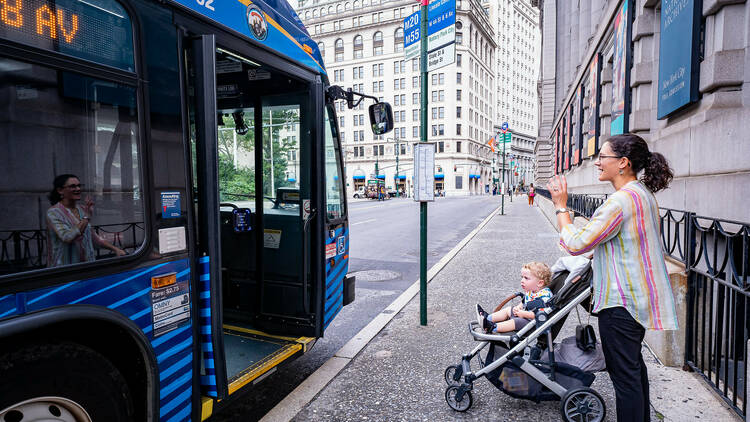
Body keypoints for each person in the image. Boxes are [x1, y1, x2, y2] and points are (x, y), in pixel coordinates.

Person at [547, 134, 678, 422]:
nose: (597, 162)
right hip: (636, 301)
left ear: (622, 163)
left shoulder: (620, 201)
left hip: (620, 304)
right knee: (633, 370)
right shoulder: (641, 194)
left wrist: (561, 206)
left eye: (602, 157)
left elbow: (576, 242)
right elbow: (629, 240)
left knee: (625, 378)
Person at [46, 174, 126, 267]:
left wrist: (116, 249)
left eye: (79, 186)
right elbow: (67, 237)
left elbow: (93, 238)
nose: (78, 189)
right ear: (60, 190)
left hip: (87, 266)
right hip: (65, 270)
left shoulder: (82, 209)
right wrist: (86, 217)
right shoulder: (54, 212)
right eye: (73, 186)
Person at [475, 262, 553, 333]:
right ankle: (487, 318)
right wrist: (518, 307)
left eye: (526, 278)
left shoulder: (544, 297)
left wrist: (524, 314)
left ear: (540, 283)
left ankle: (491, 327)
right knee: (509, 309)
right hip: (524, 315)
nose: (522, 280)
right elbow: (525, 302)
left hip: (534, 323)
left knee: (516, 322)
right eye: (522, 277)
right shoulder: (532, 290)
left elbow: (541, 315)